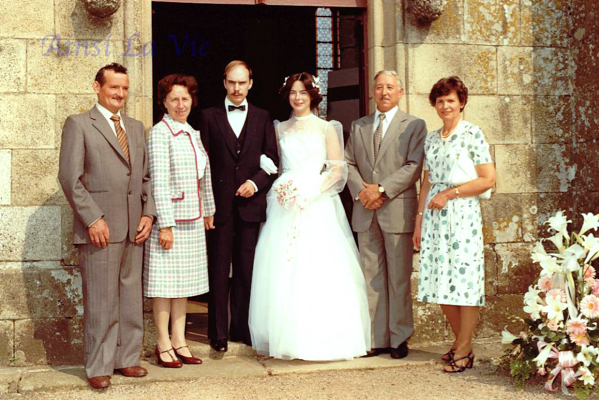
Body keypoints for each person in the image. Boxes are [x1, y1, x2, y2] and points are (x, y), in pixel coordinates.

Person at [249, 72, 370, 360]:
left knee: (317, 265)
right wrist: (283, 189)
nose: (297, 97)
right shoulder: (279, 128)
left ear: (312, 95)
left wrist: (311, 193)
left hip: (316, 202)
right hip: (284, 202)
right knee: (282, 266)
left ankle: (320, 336)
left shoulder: (327, 128)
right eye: (293, 92)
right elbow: (276, 165)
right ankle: (286, 337)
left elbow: (337, 171)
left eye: (303, 92)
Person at [58, 63, 156, 389]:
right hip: (99, 228)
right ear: (97, 87)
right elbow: (69, 179)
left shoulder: (136, 127)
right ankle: (98, 365)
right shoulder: (79, 124)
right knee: (101, 300)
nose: (120, 94)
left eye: (125, 88)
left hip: (134, 227)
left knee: (130, 297)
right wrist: (93, 218)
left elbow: (145, 177)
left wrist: (148, 214)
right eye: (114, 87)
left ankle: (127, 359)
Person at [413, 76, 496, 373]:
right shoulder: (431, 139)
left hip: (462, 215)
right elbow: (427, 182)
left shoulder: (473, 134)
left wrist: (450, 193)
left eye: (451, 100)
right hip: (435, 216)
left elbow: (488, 179)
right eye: (440, 101)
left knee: (465, 280)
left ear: (461, 103)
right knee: (440, 280)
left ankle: (463, 348)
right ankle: (462, 343)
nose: (445, 105)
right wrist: (419, 222)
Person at [345, 70, 427, 359]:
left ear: (400, 92)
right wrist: (362, 192)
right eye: (379, 87)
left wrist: (380, 189)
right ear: (373, 92)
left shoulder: (414, 125)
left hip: (396, 211)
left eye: (390, 87)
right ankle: (375, 338)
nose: (384, 92)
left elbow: (414, 165)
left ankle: (399, 337)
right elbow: (348, 163)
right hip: (366, 210)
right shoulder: (359, 125)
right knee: (371, 276)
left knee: (398, 278)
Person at [199, 61, 279, 352]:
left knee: (246, 269)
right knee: (219, 269)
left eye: (242, 82)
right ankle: (218, 333)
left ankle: (240, 329)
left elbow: (272, 160)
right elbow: (202, 163)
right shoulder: (208, 116)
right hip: (218, 207)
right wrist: (205, 205)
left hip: (250, 206)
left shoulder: (262, 116)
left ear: (250, 84)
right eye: (232, 82)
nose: (236, 88)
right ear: (224, 83)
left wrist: (255, 184)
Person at [144, 74, 216, 368]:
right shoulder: (160, 133)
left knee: (183, 284)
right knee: (164, 284)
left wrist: (209, 210)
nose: (180, 104)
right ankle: (163, 342)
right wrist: (165, 225)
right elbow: (158, 182)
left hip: (193, 219)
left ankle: (179, 340)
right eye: (174, 99)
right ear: (164, 102)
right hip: (171, 221)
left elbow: (204, 176)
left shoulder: (191, 133)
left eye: (185, 98)